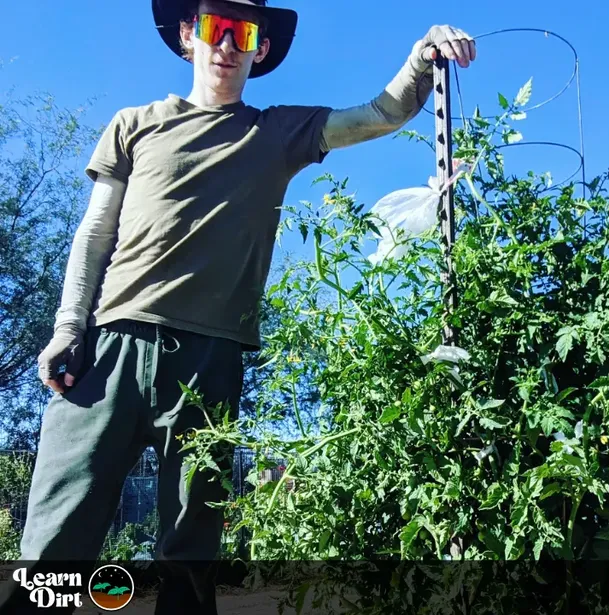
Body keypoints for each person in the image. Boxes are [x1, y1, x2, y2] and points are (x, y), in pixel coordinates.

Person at [0, 0, 476, 613]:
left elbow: (381, 114)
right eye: (214, 28)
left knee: (190, 557)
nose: (227, 43)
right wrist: (69, 327)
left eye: (243, 32)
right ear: (187, 38)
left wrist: (421, 55)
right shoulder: (135, 124)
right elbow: (94, 234)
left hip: (211, 360)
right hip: (110, 351)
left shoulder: (276, 133)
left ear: (261, 49)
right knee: (54, 546)